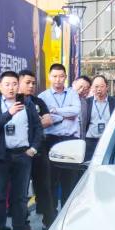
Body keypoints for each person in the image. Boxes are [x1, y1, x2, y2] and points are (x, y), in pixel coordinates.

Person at [0, 71, 42, 230]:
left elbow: (38, 127)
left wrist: (33, 148)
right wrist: (9, 113)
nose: (11, 88)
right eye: (7, 84)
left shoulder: (28, 103)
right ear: (0, 86)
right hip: (1, 157)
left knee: (20, 197)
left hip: (22, 155)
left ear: (18, 85)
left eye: (14, 84)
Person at [38, 63, 82, 219]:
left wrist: (56, 111)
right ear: (49, 77)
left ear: (65, 77)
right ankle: (50, 218)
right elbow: (45, 119)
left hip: (70, 140)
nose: (58, 80)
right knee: (50, 181)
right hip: (51, 140)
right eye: (55, 76)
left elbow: (76, 110)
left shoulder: (72, 93)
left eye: (61, 76)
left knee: (69, 181)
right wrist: (66, 115)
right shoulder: (43, 97)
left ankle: (67, 217)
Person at [20, 69, 53, 230]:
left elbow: (48, 120)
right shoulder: (15, 102)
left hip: (39, 150)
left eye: (33, 83)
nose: (31, 86)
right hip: (21, 152)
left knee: (45, 188)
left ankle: (49, 220)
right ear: (19, 82)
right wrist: (36, 121)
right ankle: (23, 223)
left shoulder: (38, 101)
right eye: (27, 82)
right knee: (22, 190)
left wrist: (31, 122)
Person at [79, 75, 115, 160]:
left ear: (107, 87)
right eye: (96, 86)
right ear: (92, 88)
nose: (99, 89)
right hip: (90, 141)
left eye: (102, 86)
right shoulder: (86, 103)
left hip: (108, 141)